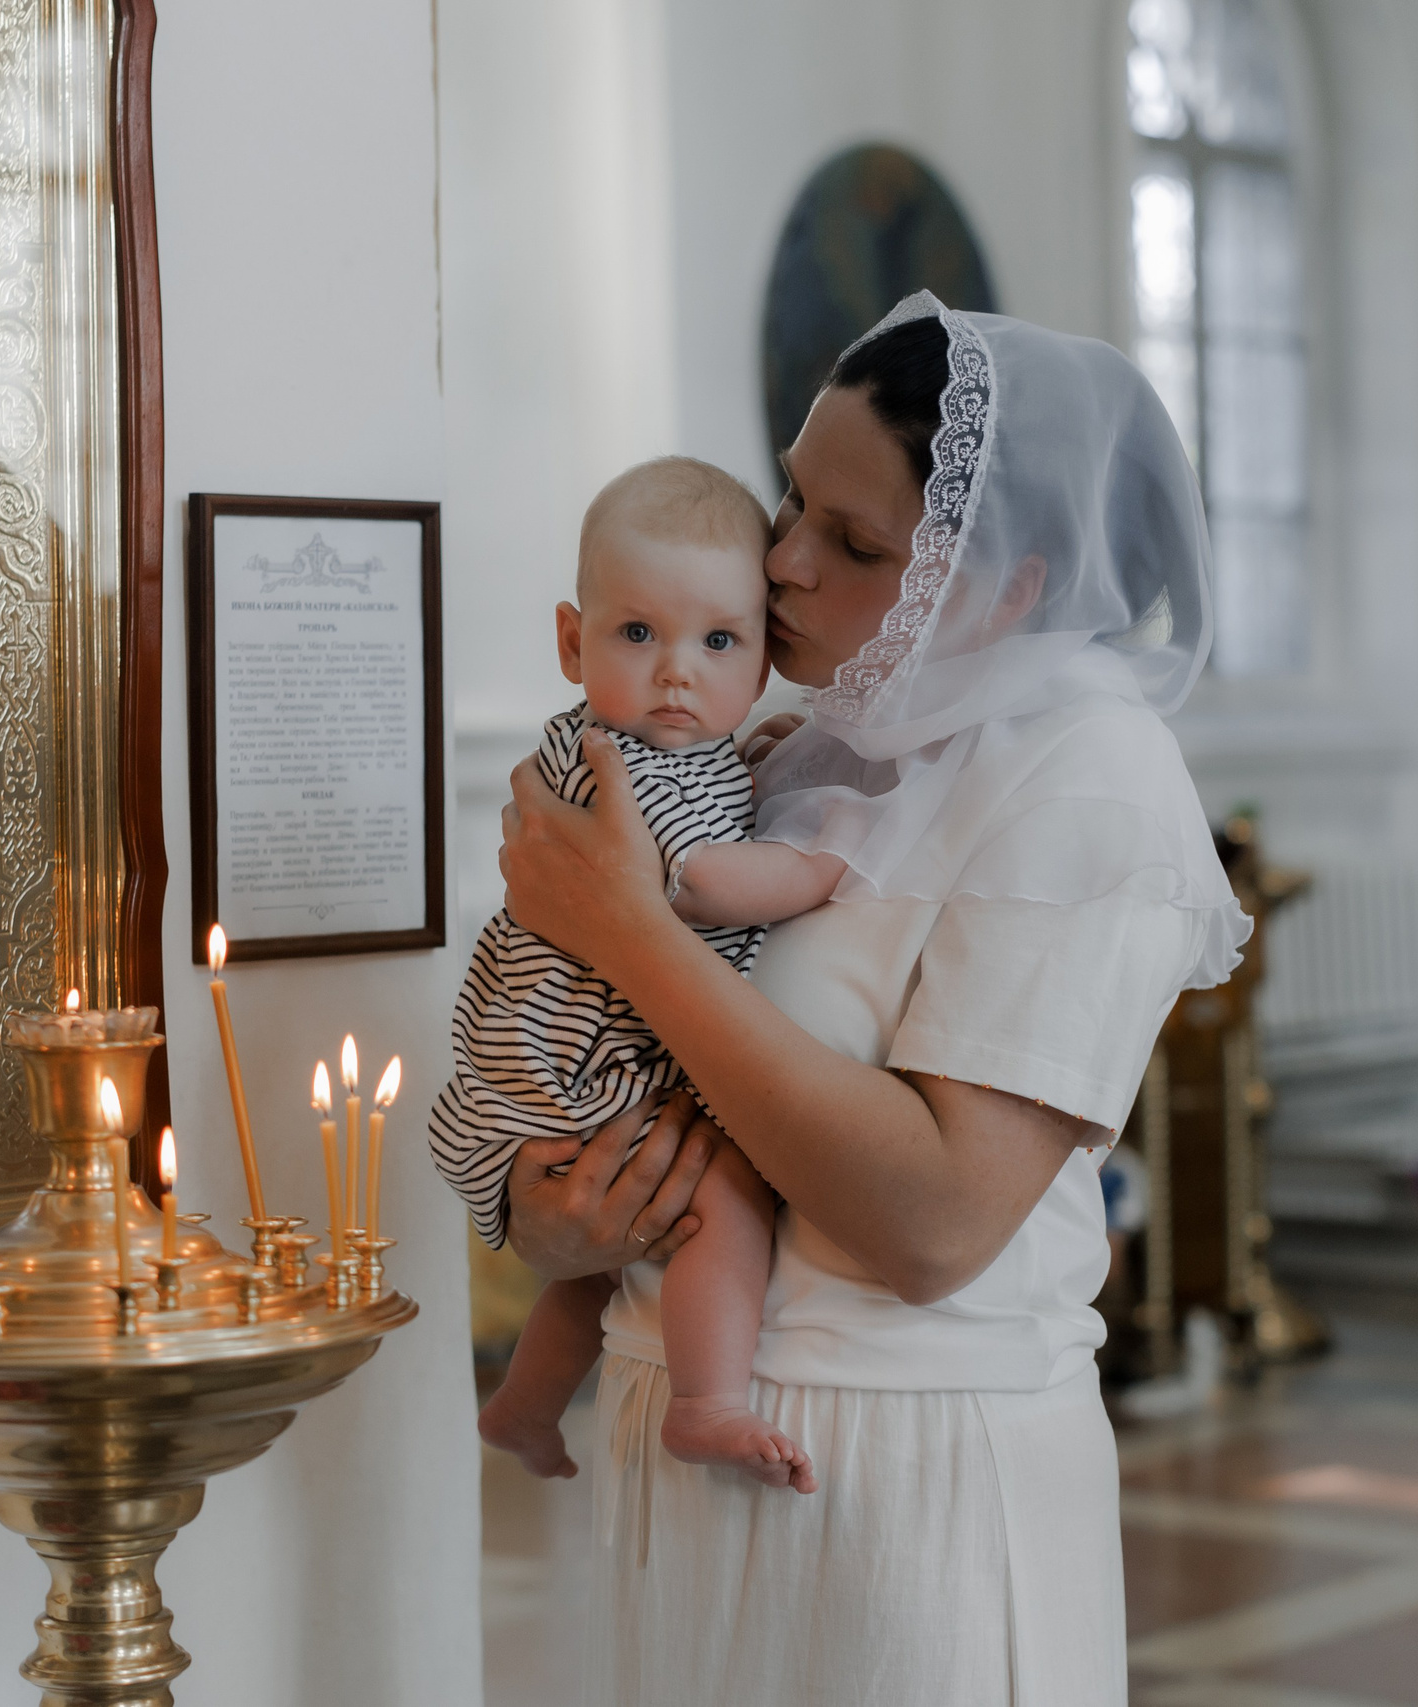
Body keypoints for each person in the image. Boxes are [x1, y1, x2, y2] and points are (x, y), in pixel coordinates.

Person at [494, 292, 1248, 1704]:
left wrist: (626, 922)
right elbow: (658, 1076)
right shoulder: (805, 748)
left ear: (1010, 582)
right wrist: (551, 1212)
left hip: (901, 1478)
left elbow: (936, 1221)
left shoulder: (1091, 778)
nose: (777, 563)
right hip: (679, 1431)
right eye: (789, 497)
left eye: (850, 542)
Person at [432, 457, 841, 1494]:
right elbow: (698, 883)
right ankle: (708, 1404)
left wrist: (752, 764)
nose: (675, 673)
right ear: (572, 641)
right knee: (721, 1210)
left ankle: (523, 1408)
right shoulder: (615, 766)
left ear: (761, 662)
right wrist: (822, 867)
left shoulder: (636, 753)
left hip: (544, 1071)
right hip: (586, 1069)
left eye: (716, 643)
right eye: (636, 635)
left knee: (616, 1258)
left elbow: (700, 806)